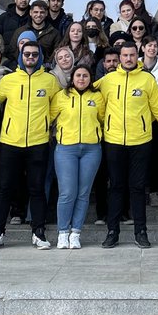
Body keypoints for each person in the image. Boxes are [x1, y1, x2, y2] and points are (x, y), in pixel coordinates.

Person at [0, 37, 60, 250]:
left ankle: (39, 232)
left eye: (34, 54)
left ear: (40, 57)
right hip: (11, 141)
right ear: (21, 56)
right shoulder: (8, 80)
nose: (30, 57)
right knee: (5, 188)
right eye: (27, 54)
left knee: (37, 189)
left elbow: (56, 106)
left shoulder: (49, 81)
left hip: (38, 142)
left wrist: (44, 124)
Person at [98, 41, 158, 248]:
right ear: (120, 57)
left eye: (132, 55)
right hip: (114, 141)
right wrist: (108, 125)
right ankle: (112, 231)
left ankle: (141, 232)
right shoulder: (108, 80)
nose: (128, 59)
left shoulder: (147, 79)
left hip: (141, 142)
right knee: (116, 186)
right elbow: (99, 109)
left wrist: (157, 127)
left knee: (137, 187)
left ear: (138, 56)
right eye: (125, 55)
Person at [50, 63, 105, 249]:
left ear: (90, 79)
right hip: (66, 149)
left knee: (83, 192)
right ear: (72, 78)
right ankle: (63, 232)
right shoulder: (62, 96)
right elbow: (49, 117)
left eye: (85, 76)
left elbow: (103, 118)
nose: (81, 79)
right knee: (67, 192)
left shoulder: (97, 97)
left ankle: (75, 233)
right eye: (78, 75)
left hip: (91, 149)